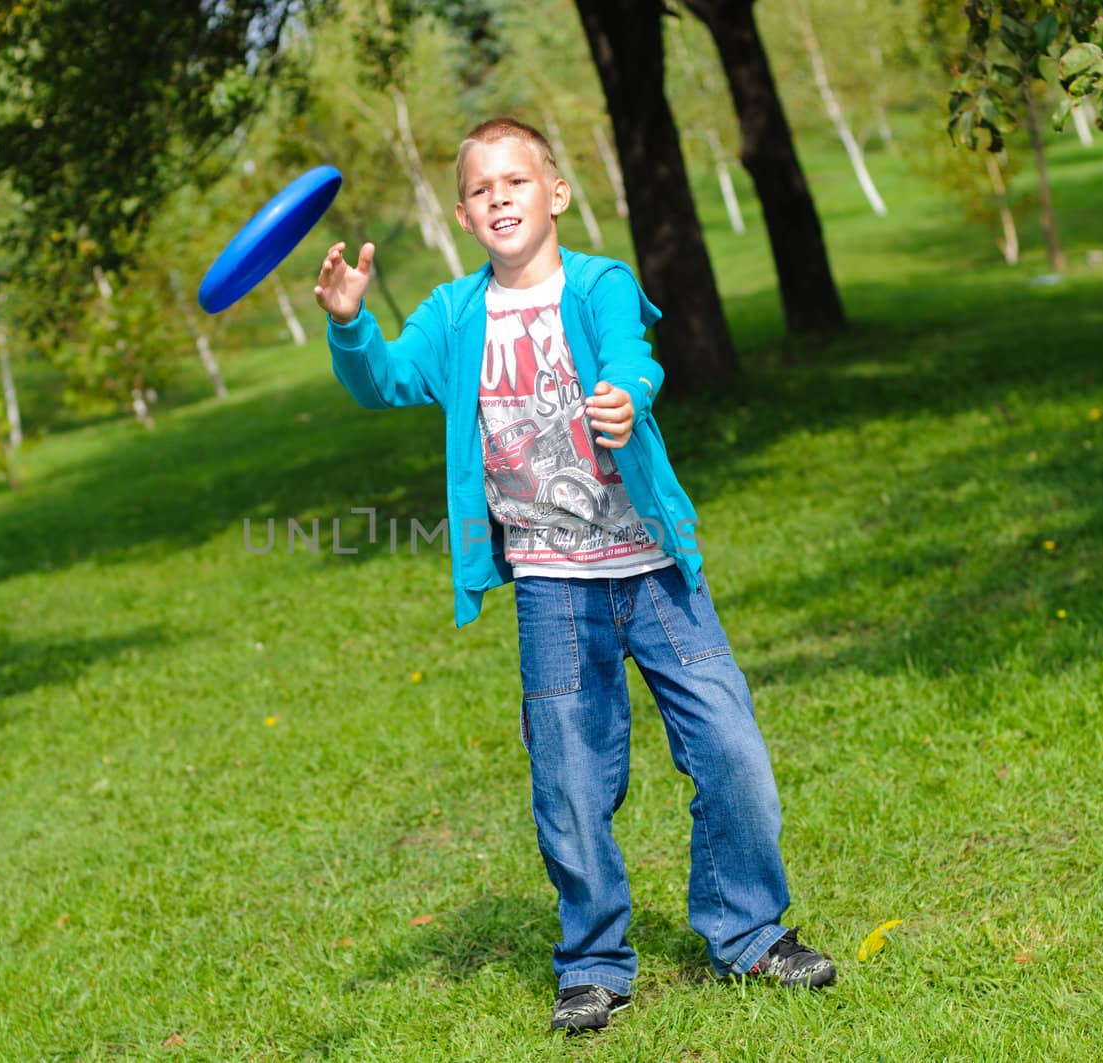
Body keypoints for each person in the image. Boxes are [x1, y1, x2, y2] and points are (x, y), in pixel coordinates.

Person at [313, 117, 834, 1035]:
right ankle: (593, 963)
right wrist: (351, 323)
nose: (501, 196)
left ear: (554, 193)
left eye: (517, 180)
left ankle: (750, 930)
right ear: (466, 216)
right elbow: (387, 381)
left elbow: (635, 353)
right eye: (481, 189)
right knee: (570, 781)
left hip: (652, 570)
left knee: (731, 751)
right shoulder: (451, 314)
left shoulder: (599, 284)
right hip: (552, 582)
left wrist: (628, 395)